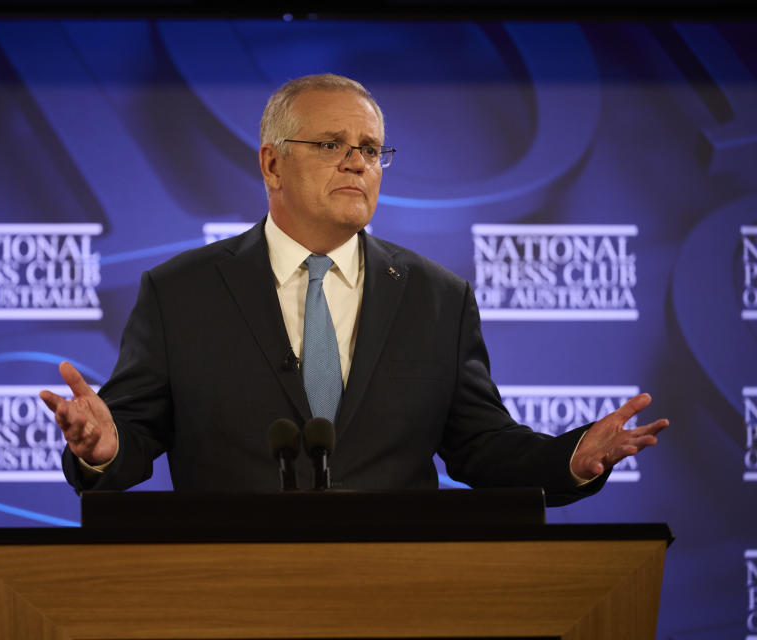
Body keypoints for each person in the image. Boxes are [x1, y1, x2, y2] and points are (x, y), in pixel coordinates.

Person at [39, 73, 668, 505]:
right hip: (233, 590)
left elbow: (481, 445)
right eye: (331, 145)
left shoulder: (436, 298)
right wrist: (104, 444)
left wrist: (569, 459)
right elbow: (131, 434)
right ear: (272, 163)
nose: (358, 163)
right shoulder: (181, 293)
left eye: (371, 149)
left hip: (394, 592)